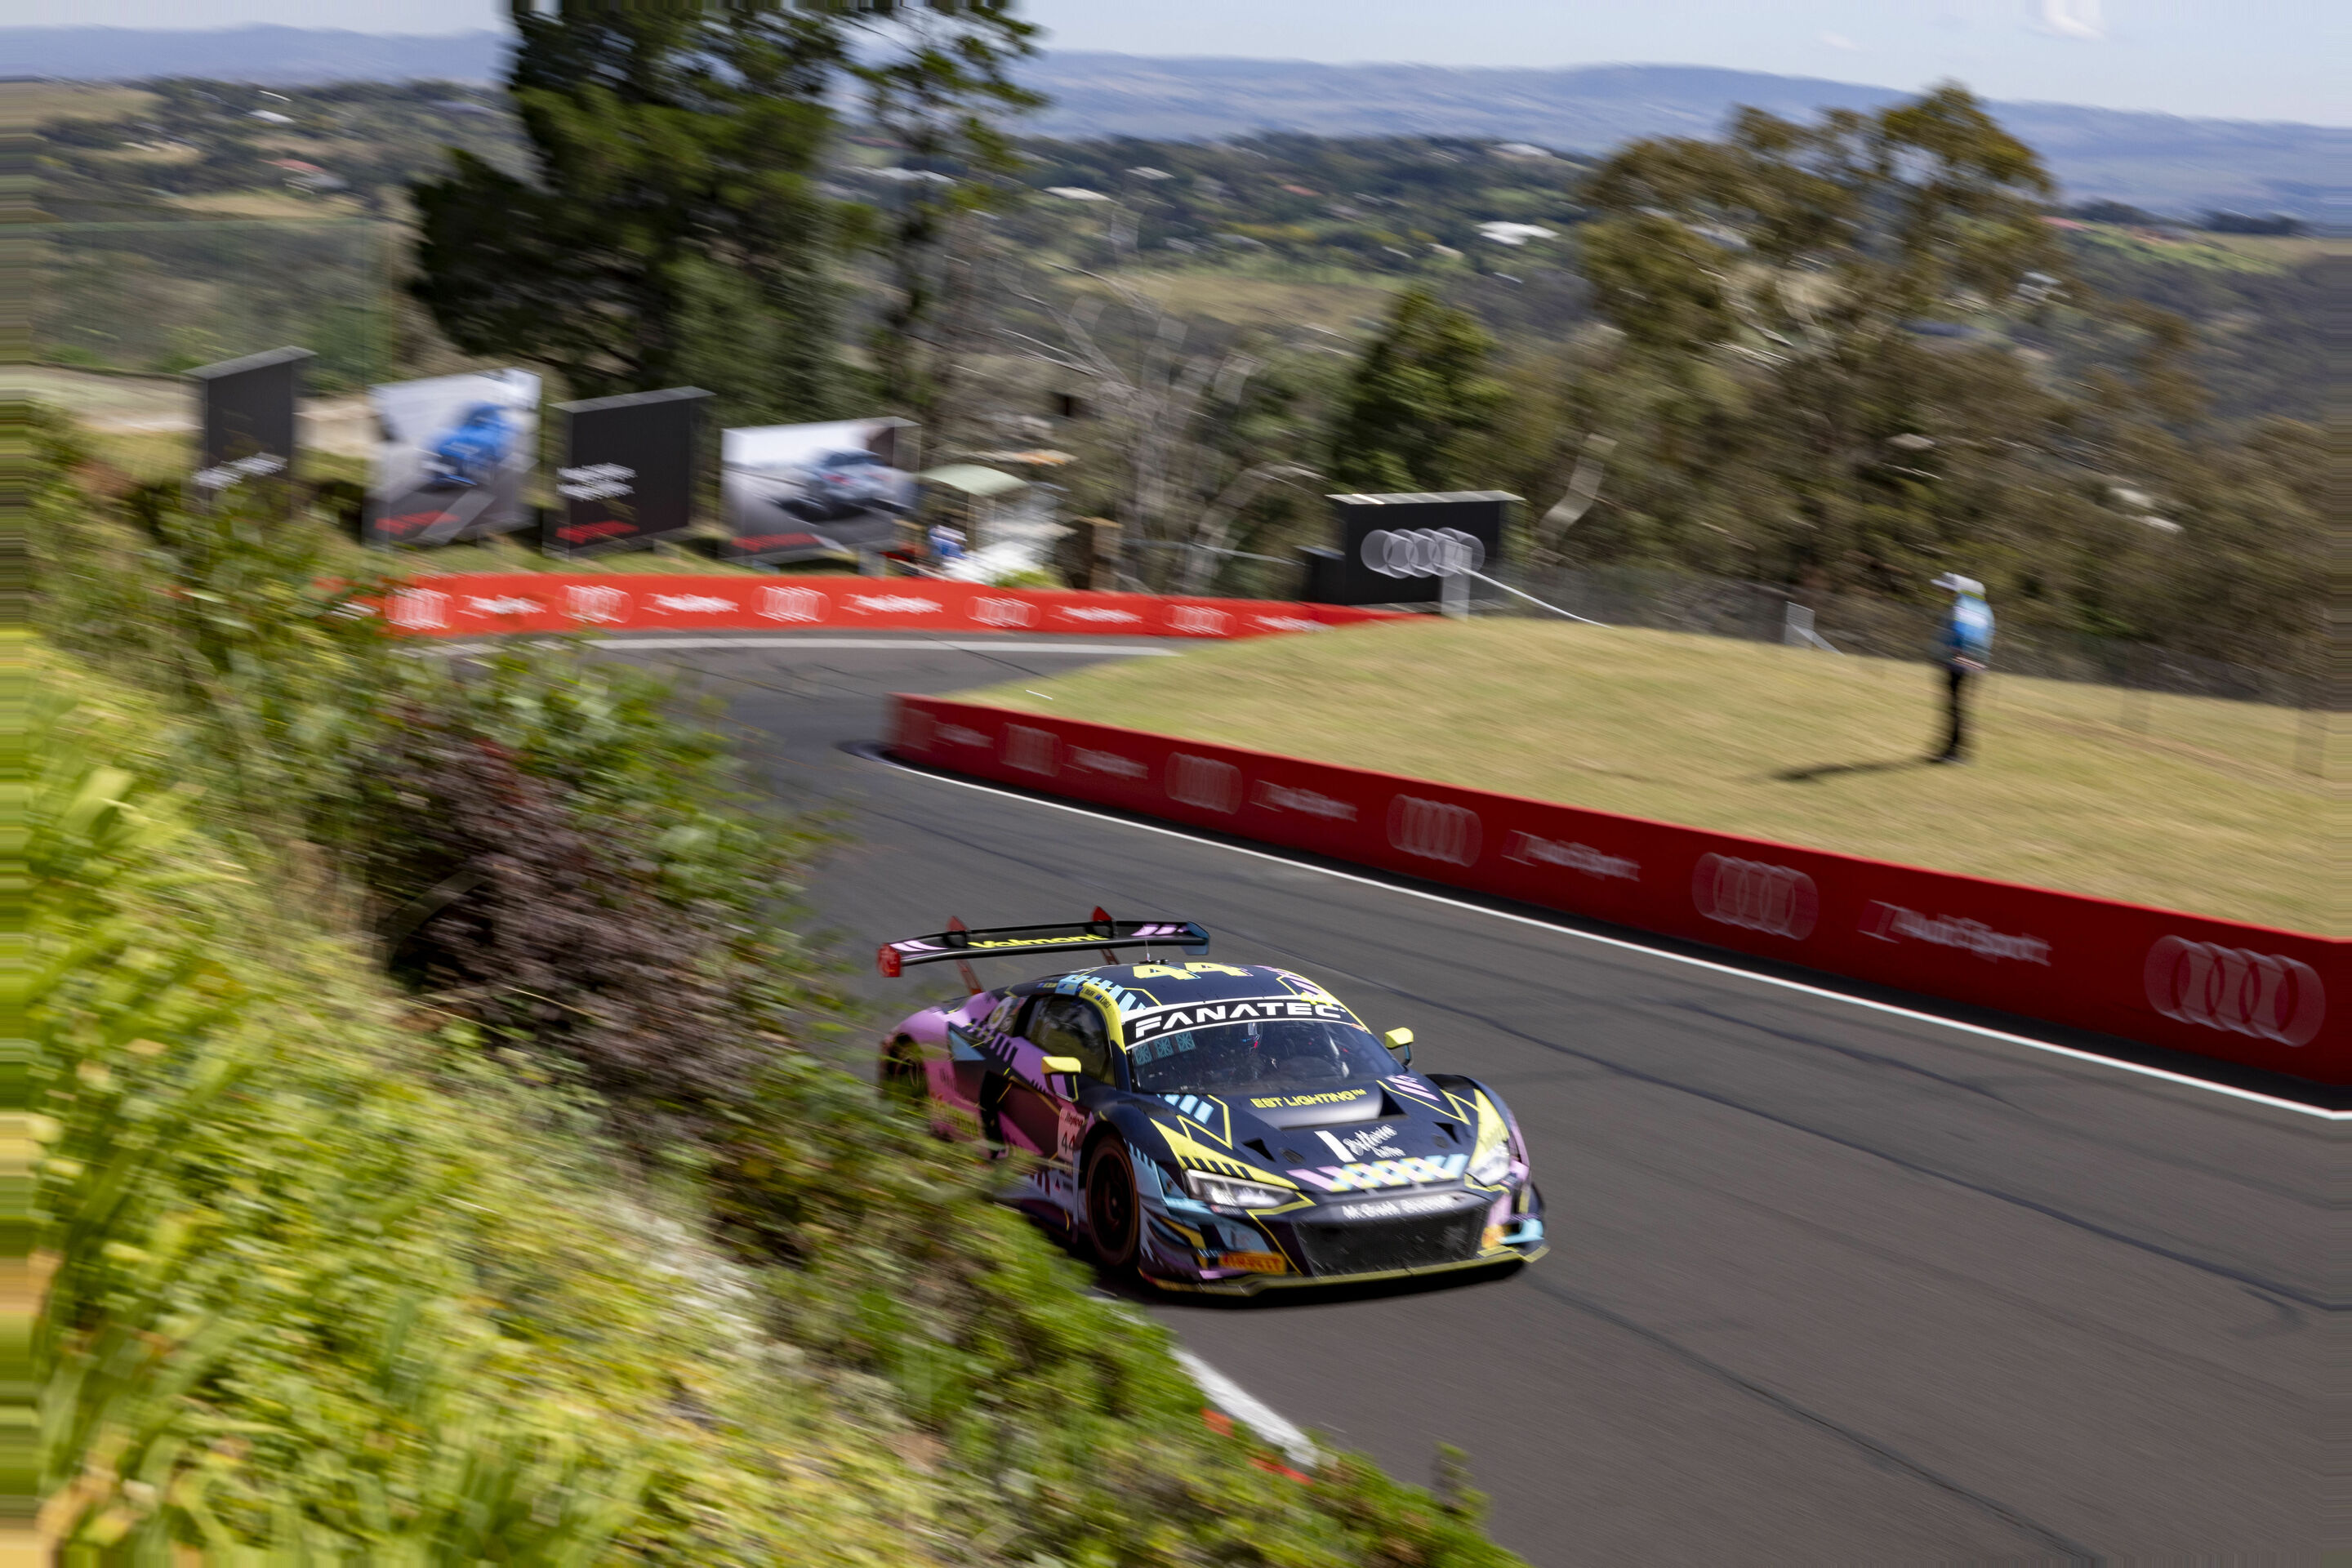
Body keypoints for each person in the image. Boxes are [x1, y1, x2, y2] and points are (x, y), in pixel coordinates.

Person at [1930, 573, 1993, 763]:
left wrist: (1951, 654)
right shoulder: (1983, 609)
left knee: (1955, 708)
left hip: (1958, 662)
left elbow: (1959, 632)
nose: (1944, 591)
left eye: (1948, 589)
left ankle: (1954, 752)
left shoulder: (1962, 607)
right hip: (1975, 663)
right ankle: (1956, 749)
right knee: (1958, 707)